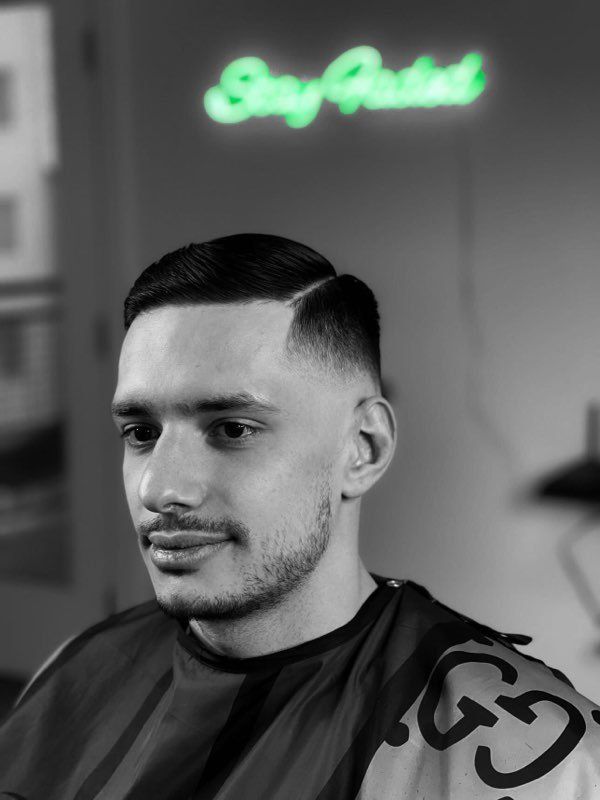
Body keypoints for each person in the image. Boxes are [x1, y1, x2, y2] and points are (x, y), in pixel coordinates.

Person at [0, 233, 598, 798]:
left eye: (233, 429)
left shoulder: (547, 764)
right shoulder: (77, 670)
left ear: (363, 449)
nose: (159, 488)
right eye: (140, 432)